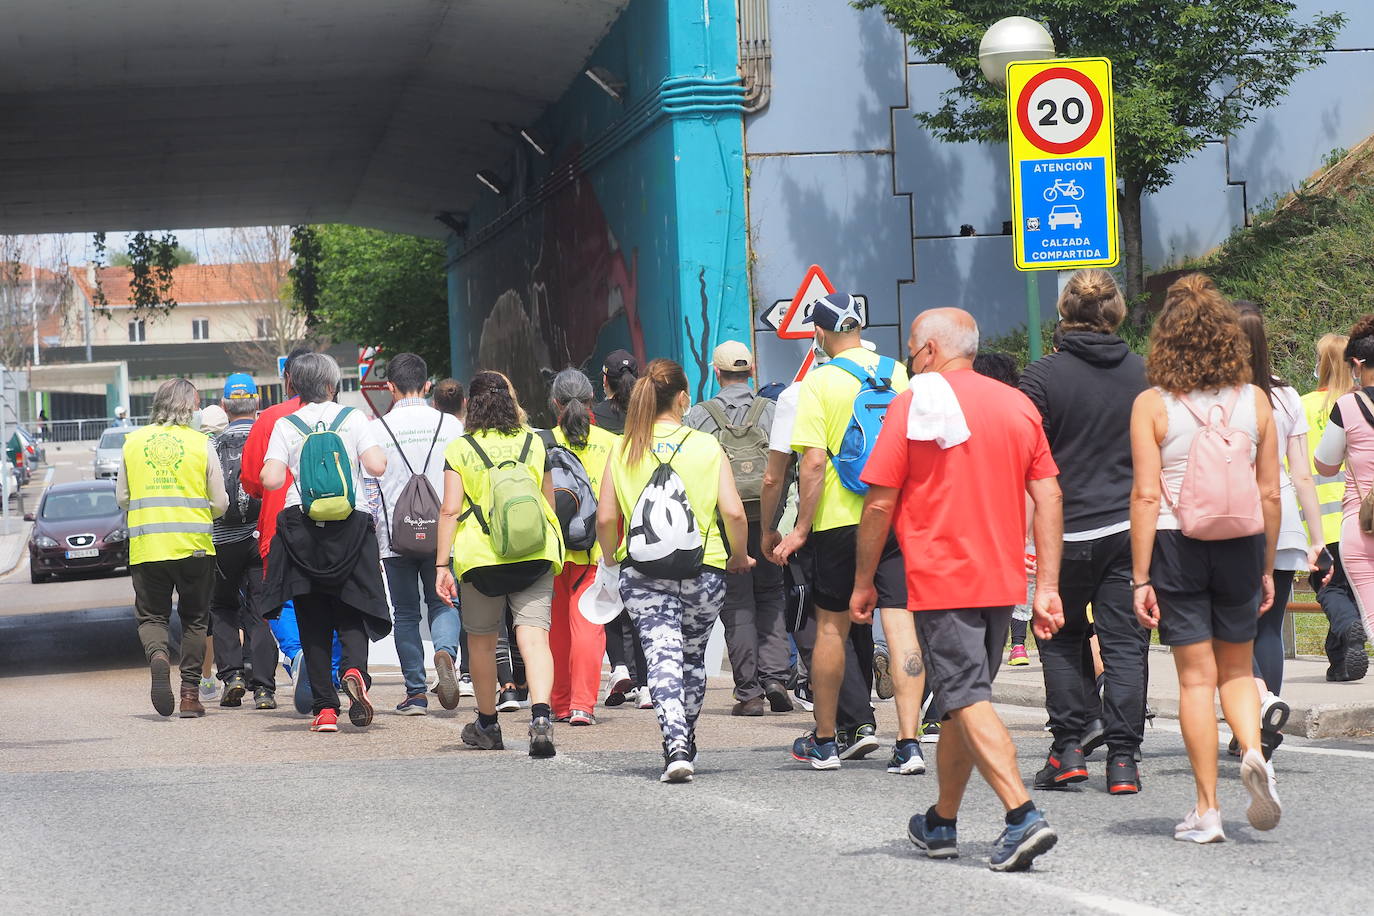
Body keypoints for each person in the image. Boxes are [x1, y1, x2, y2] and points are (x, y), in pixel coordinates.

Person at [854, 307, 1065, 871]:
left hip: (943, 577)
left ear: (926, 351)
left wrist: (862, 580)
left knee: (967, 698)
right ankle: (941, 821)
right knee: (956, 706)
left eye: (910, 350)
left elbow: (878, 502)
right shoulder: (1018, 404)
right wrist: (1046, 584)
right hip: (1001, 580)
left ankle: (1022, 814)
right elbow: (1048, 496)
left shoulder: (914, 404)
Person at [1130, 273, 1282, 843]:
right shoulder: (1255, 401)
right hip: (1241, 542)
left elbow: (1145, 495)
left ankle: (1207, 810)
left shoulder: (1152, 405)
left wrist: (1140, 576)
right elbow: (1270, 492)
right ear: (1227, 337)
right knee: (1238, 669)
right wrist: (1266, 566)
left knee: (1196, 681)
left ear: (1165, 340)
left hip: (1176, 542)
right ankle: (1251, 751)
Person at [774, 292, 929, 773]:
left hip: (840, 523)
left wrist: (800, 528)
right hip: (895, 517)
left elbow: (814, 463)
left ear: (819, 333)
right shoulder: (899, 374)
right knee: (900, 625)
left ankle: (825, 741)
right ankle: (909, 743)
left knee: (831, 628)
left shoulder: (817, 383)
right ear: (860, 327)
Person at [1017, 270, 1150, 794]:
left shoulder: (1041, 378)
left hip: (1062, 531)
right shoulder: (1144, 373)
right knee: (1125, 644)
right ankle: (1124, 761)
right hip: (1127, 528)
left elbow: (1023, 463)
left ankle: (1068, 749)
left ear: (1064, 314)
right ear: (1116, 312)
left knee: (1057, 635)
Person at [597, 359, 753, 782]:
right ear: (684, 398)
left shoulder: (624, 447)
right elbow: (734, 513)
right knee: (691, 658)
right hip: (705, 569)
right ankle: (687, 734)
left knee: (660, 655)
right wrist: (739, 556)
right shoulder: (706, 445)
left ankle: (676, 743)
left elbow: (607, 518)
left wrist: (611, 558)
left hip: (643, 571)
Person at [259, 352, 391, 733]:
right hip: (352, 524)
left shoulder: (287, 424)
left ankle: (325, 710)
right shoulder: (353, 419)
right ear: (333, 385)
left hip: (302, 529)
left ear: (294, 386)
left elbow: (270, 480)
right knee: (352, 607)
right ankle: (354, 671)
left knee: (312, 617)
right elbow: (377, 466)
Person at [435, 371, 563, 757]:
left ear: (471, 405)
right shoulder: (535, 442)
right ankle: (541, 715)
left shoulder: (461, 448)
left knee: (483, 641)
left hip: (481, 557)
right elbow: (548, 502)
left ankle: (488, 724)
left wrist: (442, 565)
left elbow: (450, 509)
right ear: (511, 400)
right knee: (534, 636)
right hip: (535, 552)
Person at [1235, 302, 1324, 757]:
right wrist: (1316, 537)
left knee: (1231, 626)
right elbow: (1303, 473)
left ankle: (1257, 706)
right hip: (1285, 516)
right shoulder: (1287, 395)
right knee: (1269, 626)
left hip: (1237, 515)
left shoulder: (1222, 394)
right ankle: (1257, 725)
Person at [684, 341, 791, 716]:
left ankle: (749, 693)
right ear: (752, 371)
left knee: (738, 602)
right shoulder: (773, 411)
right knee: (772, 594)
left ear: (716, 372)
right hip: (769, 518)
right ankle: (776, 676)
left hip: (724, 523)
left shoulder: (699, 416)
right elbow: (787, 465)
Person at [117, 378, 229, 717]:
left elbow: (123, 497)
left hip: (148, 546)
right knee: (195, 619)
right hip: (194, 546)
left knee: (152, 616)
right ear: (190, 407)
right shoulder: (200, 443)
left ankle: (159, 657)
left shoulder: (132, 443)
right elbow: (221, 502)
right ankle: (191, 697)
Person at [371, 353, 464, 715]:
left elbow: (371, 485)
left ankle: (415, 693)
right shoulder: (450, 425)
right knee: (443, 601)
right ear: (427, 386)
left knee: (406, 613)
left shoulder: (378, 429)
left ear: (390, 387)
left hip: (396, 536)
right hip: (444, 530)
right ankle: (445, 653)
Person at [240, 345, 317, 714]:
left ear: (288, 380)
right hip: (332, 523)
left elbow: (253, 482)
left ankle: (297, 653)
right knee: (327, 596)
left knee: (280, 600)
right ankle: (332, 671)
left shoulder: (269, 418)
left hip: (277, 524)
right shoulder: (340, 416)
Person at [545, 369, 617, 725]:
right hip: (596, 550)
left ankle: (558, 703)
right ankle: (582, 706)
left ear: (555, 404)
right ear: (592, 401)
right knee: (589, 624)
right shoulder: (612, 443)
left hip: (553, 551)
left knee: (555, 629)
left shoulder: (542, 442)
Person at [208, 373, 279, 710]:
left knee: (223, 606)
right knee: (262, 609)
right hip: (262, 535)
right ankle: (264, 688)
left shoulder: (213, 444)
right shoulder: (269, 440)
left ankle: (233, 675)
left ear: (224, 406)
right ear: (257, 405)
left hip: (224, 539)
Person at [1303, 334, 1367, 681]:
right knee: (1351, 588)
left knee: (1329, 590)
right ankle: (1340, 663)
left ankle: (1348, 636)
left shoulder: (1302, 405)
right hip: (1359, 516)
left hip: (1317, 522)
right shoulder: (1360, 404)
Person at [592, 348, 653, 709]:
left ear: (605, 381)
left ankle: (618, 667)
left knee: (609, 589)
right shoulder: (648, 415)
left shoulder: (594, 418)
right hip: (645, 514)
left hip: (609, 510)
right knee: (644, 601)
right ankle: (646, 685)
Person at [1315, 317, 1374, 676]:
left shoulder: (1348, 407)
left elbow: (1324, 464)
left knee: (1371, 615)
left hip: (1361, 525)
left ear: (1356, 364)